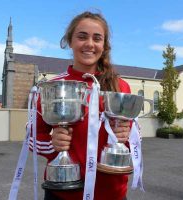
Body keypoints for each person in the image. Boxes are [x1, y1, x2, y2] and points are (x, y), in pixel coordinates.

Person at [31, 11, 132, 200]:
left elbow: (134, 136)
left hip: (112, 193)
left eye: (97, 38)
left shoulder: (120, 86)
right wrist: (52, 145)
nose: (89, 44)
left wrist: (127, 136)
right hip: (63, 192)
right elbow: (32, 135)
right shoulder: (53, 87)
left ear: (104, 45)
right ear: (70, 41)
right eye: (82, 36)